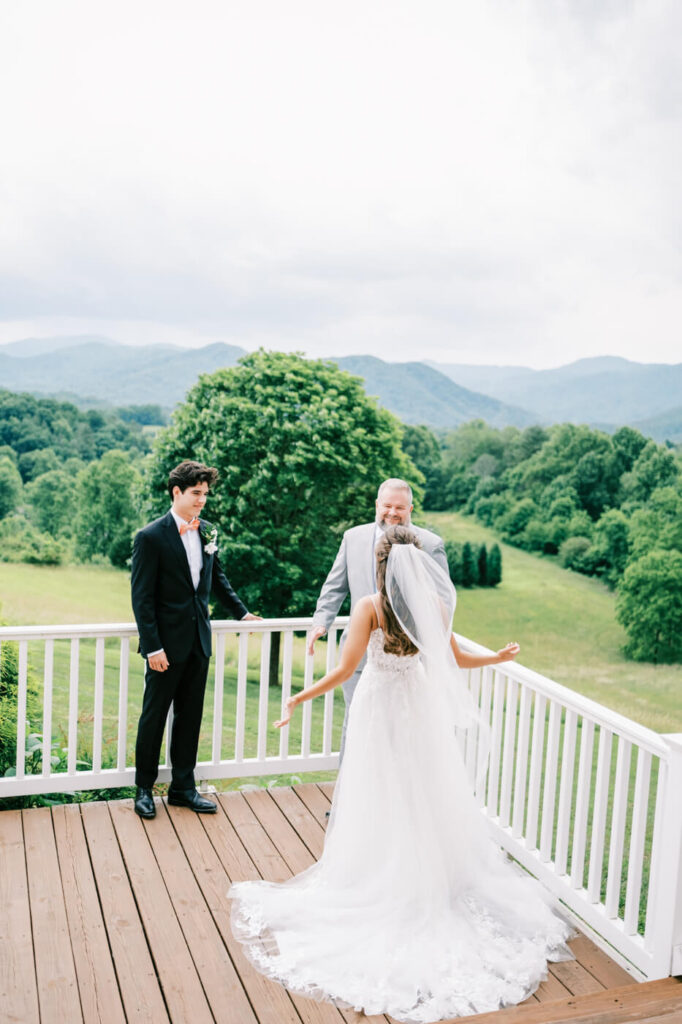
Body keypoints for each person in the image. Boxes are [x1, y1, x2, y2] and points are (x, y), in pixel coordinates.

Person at [229, 526, 573, 1022]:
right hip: (417, 708)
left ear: (382, 563)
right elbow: (454, 657)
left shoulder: (370, 606)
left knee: (378, 793)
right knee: (422, 792)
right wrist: (496, 656)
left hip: (380, 709)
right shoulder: (432, 605)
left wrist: (299, 698)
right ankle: (425, 877)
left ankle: (377, 876)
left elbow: (345, 670)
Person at [131, 460, 260, 819]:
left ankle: (183, 790)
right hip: (164, 647)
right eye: (196, 493)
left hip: (199, 642)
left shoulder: (208, 532)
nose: (202, 500)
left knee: (190, 718)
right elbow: (141, 598)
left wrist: (242, 613)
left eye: (205, 493)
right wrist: (152, 646)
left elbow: (217, 579)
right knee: (154, 716)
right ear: (177, 492)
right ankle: (144, 789)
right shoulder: (150, 537)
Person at [308, 478, 448, 756]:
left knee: (405, 732)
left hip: (409, 661)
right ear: (377, 505)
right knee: (356, 723)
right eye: (387, 505)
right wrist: (320, 622)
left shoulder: (431, 544)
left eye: (400, 507)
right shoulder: (353, 537)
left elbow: (443, 600)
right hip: (360, 654)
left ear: (411, 508)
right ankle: (349, 797)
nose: (392, 512)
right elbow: (335, 586)